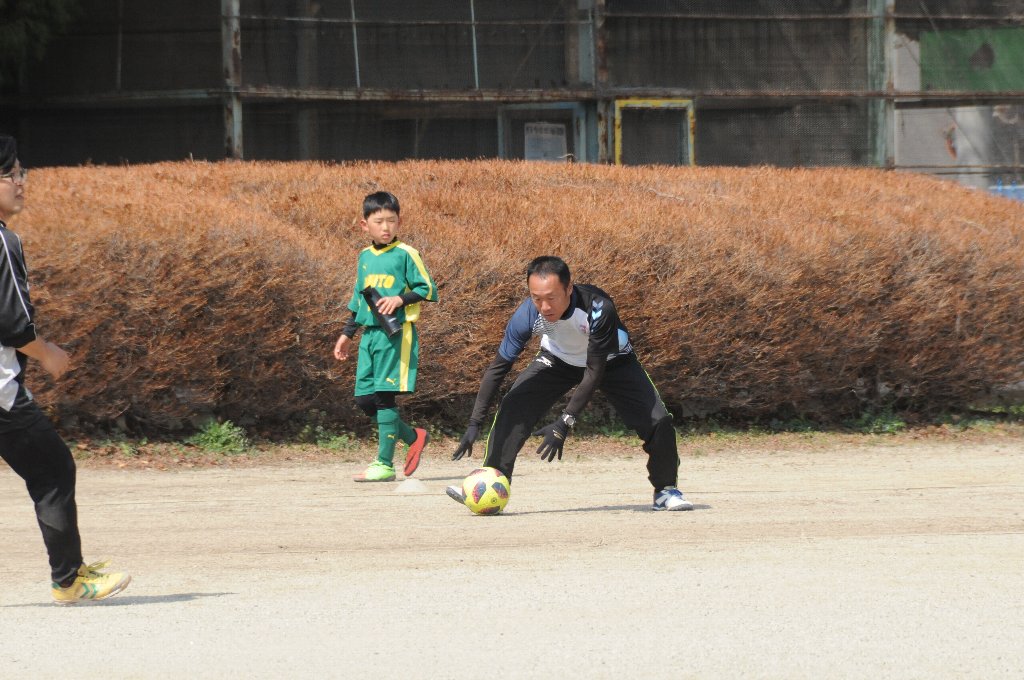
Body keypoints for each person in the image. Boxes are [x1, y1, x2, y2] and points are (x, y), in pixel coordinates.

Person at [447, 255, 693, 511]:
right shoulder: (527, 314)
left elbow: (594, 371)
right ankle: (490, 485)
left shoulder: (598, 308)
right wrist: (475, 422)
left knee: (658, 421)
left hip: (612, 361)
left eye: (551, 297)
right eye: (536, 298)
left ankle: (665, 491)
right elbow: (498, 368)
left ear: (568, 288)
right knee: (513, 407)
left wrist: (565, 421)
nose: (544, 307)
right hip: (557, 359)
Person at [0, 134, 132, 603]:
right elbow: (13, 324)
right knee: (54, 470)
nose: (21, 182)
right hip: (1, 394)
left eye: (21, 172)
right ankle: (69, 580)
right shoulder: (2, 241)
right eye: (10, 174)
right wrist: (48, 352)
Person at [333, 191, 437, 482]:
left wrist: (400, 299)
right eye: (379, 221)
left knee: (382, 396)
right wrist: (347, 334)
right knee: (364, 399)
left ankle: (384, 464)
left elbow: (428, 288)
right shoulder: (364, 257)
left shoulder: (406, 253)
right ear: (364, 225)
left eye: (391, 220)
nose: (386, 227)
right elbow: (359, 299)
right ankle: (413, 437)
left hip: (396, 335)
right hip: (369, 336)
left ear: (399, 221)